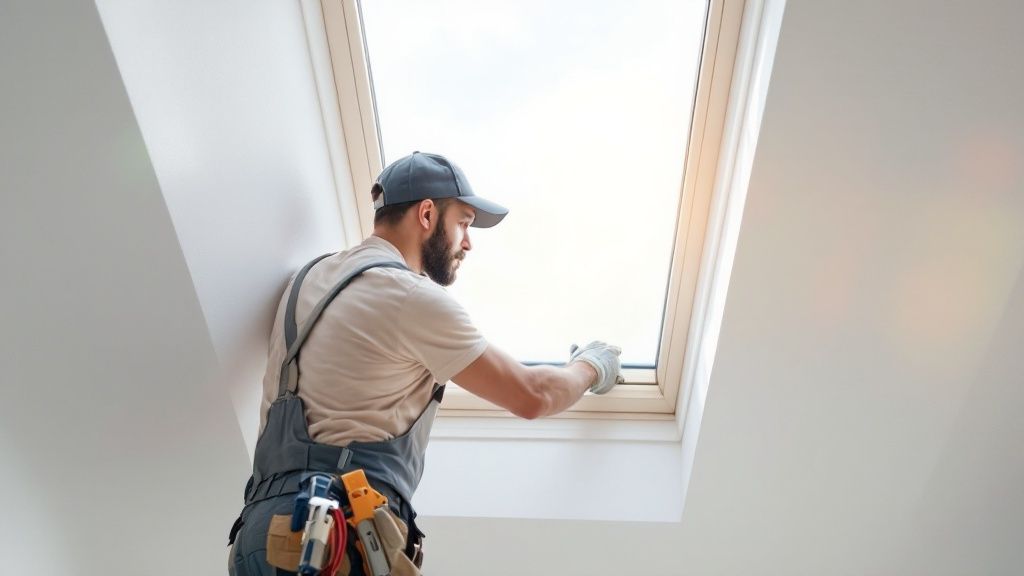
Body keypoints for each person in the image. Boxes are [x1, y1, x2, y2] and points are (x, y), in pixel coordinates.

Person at [227, 151, 623, 575]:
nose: (467, 243)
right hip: (334, 538)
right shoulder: (407, 296)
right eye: (464, 223)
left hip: (258, 536)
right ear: (428, 214)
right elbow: (532, 395)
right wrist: (591, 366)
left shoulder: (307, 279)